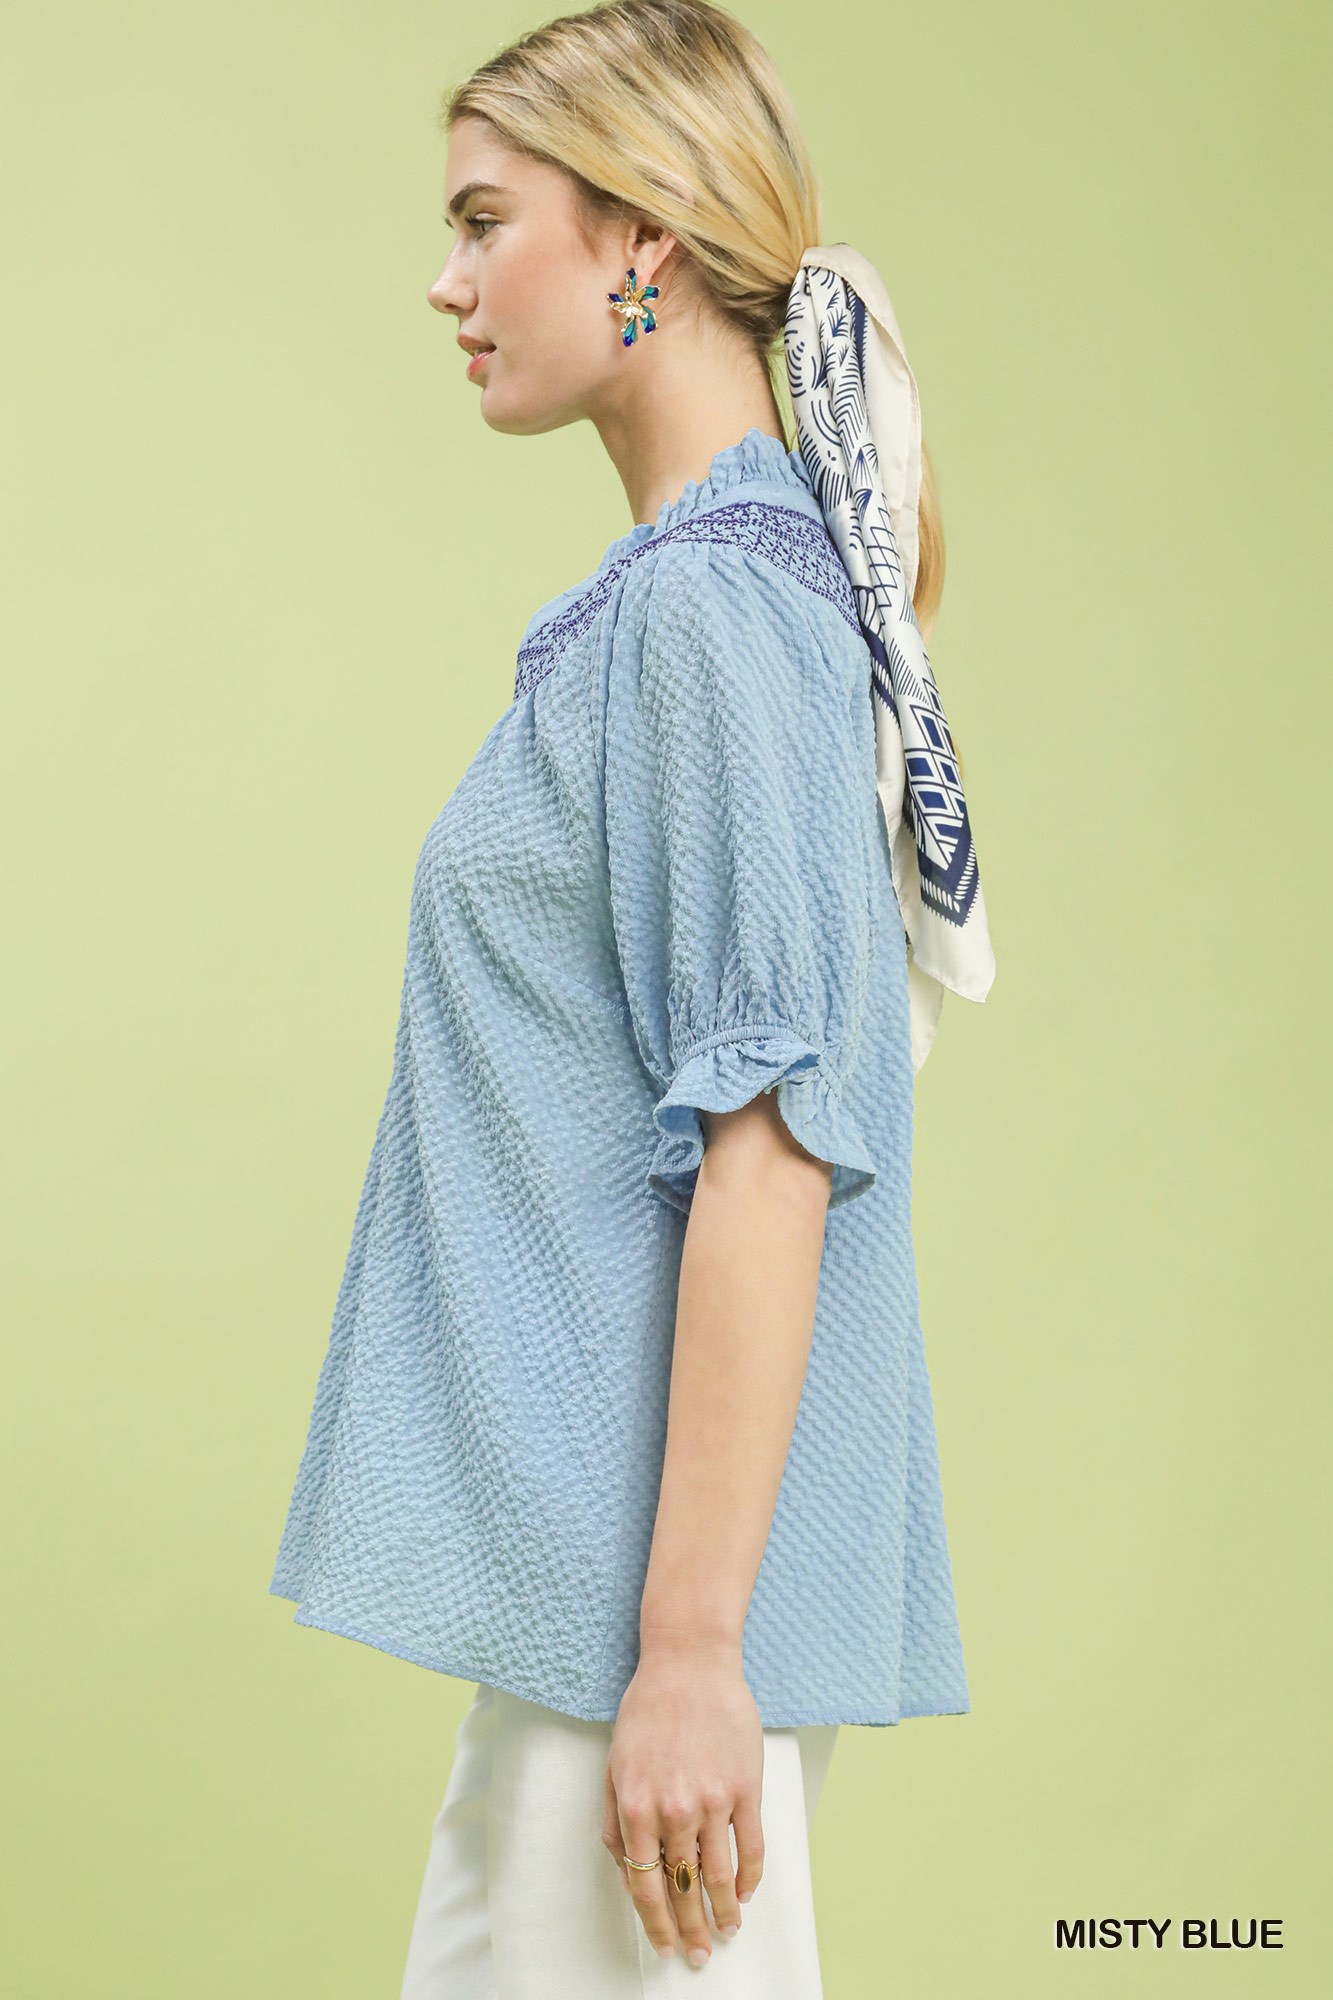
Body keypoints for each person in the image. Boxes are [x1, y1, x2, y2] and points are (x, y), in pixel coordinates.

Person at [268, 2, 994, 1990]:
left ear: (642, 238)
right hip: (602, 1618)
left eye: (482, 220)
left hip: (641, 1639)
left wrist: (687, 1656)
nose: (445, 282)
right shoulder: (719, 593)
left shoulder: (707, 610)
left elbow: (772, 1151)